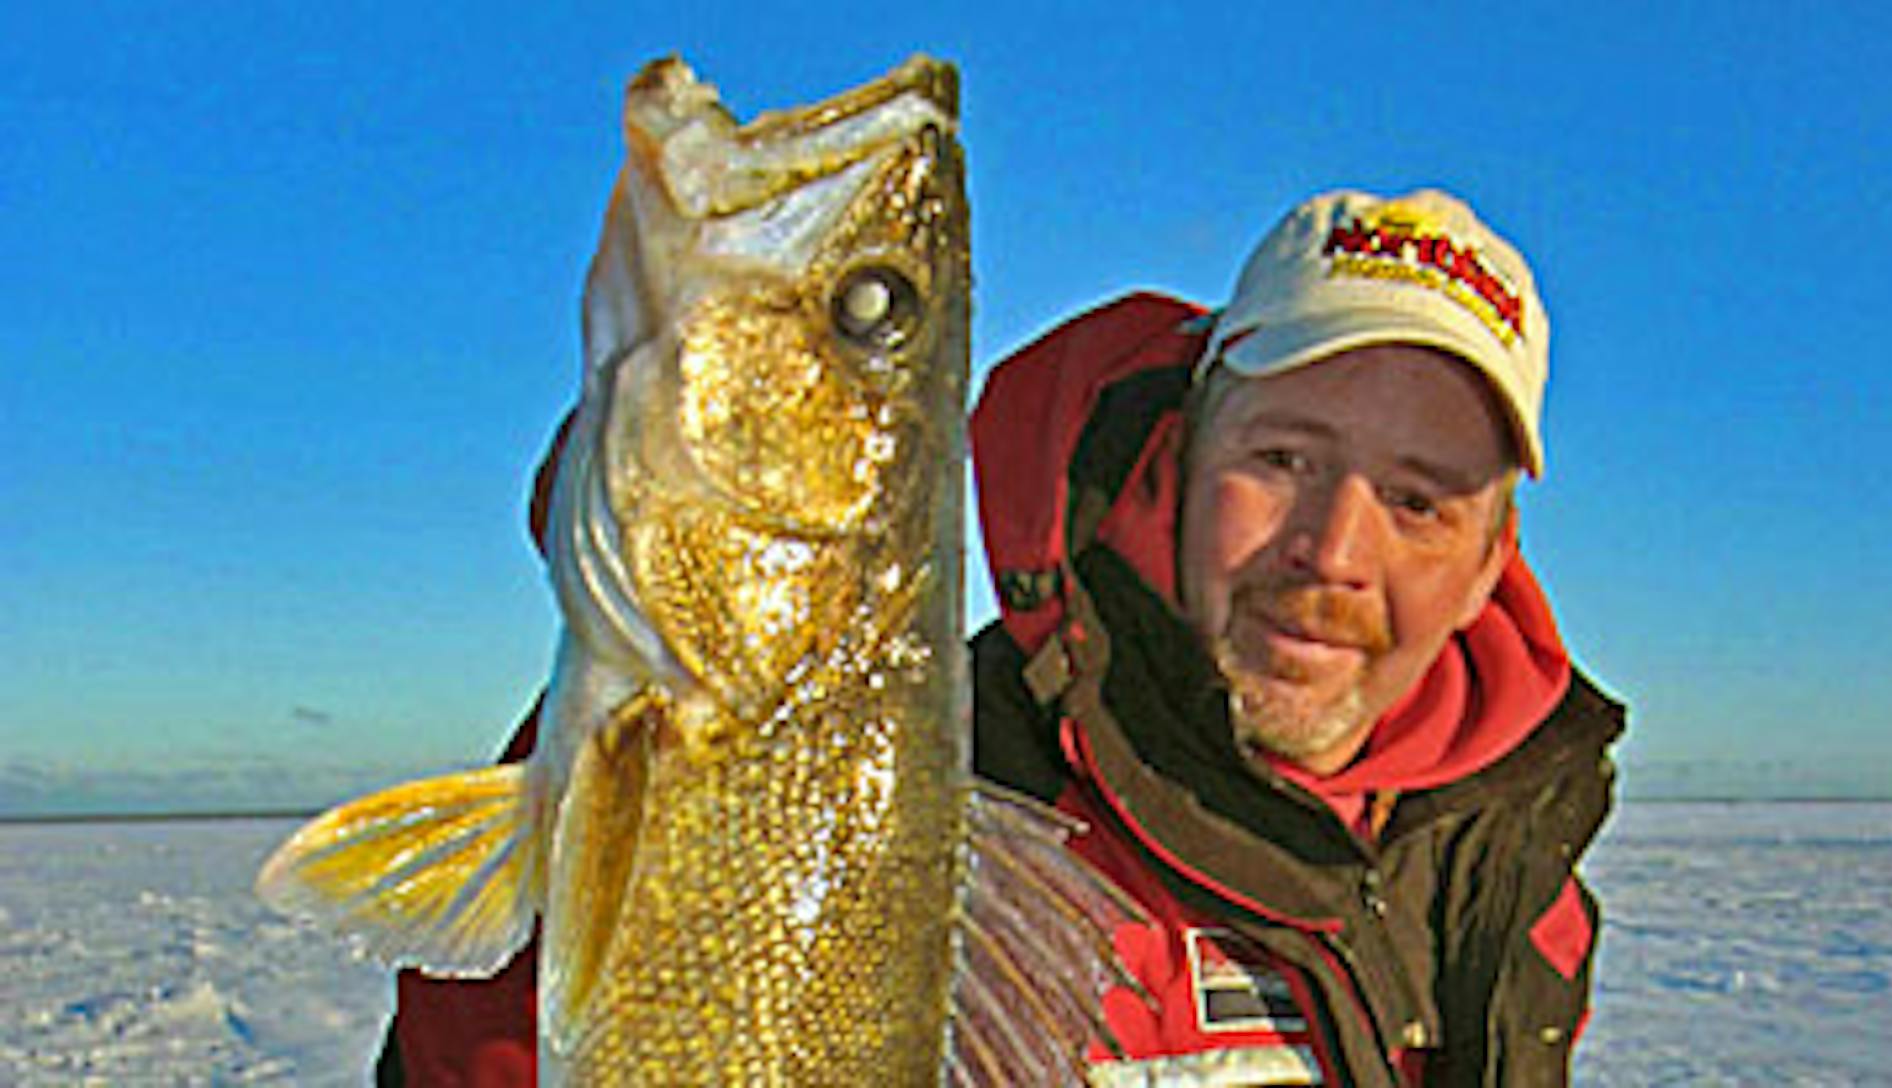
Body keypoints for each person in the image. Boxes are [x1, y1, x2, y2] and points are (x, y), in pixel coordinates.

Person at [376, 187, 1625, 1087]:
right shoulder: (931, 792)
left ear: (1486, 563)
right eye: (1283, 457)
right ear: (1180, 461)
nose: (1335, 551)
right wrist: (684, 619)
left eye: (1418, 500)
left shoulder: (1511, 867)